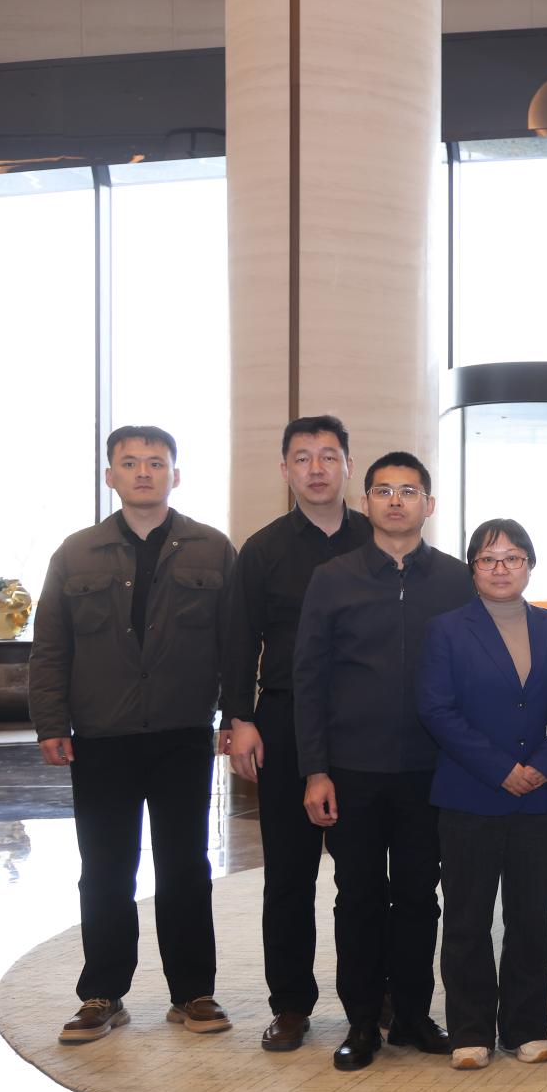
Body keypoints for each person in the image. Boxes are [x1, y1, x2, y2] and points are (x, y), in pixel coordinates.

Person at [31, 426, 241, 1044]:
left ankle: (193, 992)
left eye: (155, 462)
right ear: (110, 477)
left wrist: (235, 716)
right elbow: (51, 646)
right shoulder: (76, 552)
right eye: (129, 463)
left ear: (175, 475)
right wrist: (51, 722)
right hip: (102, 736)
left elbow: (234, 645)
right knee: (104, 868)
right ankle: (102, 993)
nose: (143, 472)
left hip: (182, 733)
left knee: (185, 867)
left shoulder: (211, 548)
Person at [293, 451, 474, 1071]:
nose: (396, 501)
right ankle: (363, 1020)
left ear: (429, 504)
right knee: (359, 897)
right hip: (353, 769)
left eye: (409, 491)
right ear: (365, 502)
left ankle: (416, 1015)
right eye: (384, 490)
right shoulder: (333, 578)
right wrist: (316, 769)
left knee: (421, 897)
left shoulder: (456, 580)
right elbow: (308, 678)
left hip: (434, 769)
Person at [222, 414, 372, 1053]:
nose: (317, 468)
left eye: (329, 456)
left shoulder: (377, 538)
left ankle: (373, 997)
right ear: (285, 470)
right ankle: (289, 1004)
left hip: (367, 725)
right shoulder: (262, 550)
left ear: (347, 467)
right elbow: (239, 640)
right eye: (303, 457)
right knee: (288, 873)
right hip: (283, 722)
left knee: (365, 876)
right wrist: (239, 720)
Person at [419, 518, 547, 1071]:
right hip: (470, 794)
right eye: (488, 559)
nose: (501, 568)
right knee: (467, 918)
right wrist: (501, 769)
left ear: (529, 565)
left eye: (513, 558)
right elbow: (437, 710)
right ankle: (470, 1030)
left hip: (538, 796)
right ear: (473, 569)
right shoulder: (446, 630)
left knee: (530, 918)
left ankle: (527, 1026)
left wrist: (540, 768)